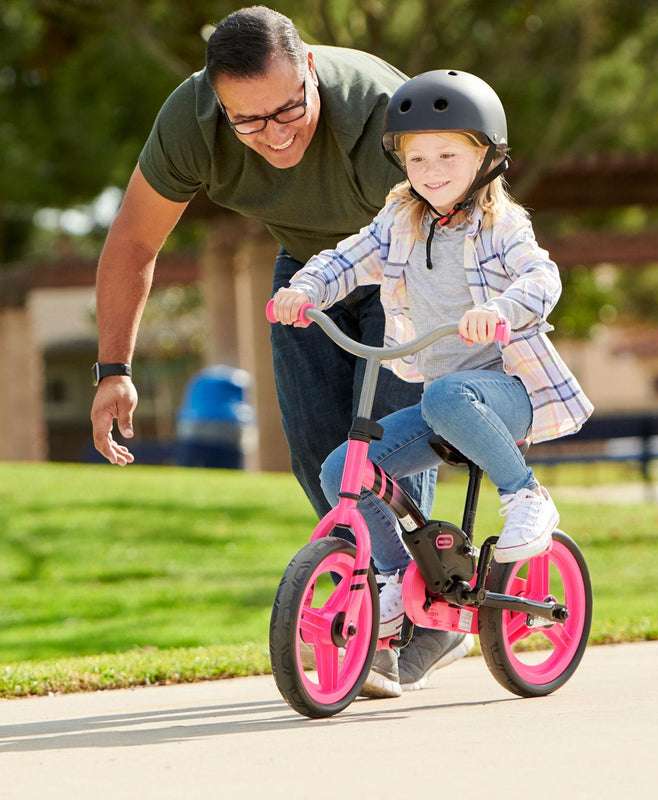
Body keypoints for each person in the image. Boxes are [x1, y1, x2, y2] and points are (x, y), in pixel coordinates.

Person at [88, 6, 450, 697]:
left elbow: (467, 228)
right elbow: (133, 243)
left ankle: (413, 618)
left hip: (415, 267)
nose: (274, 136)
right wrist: (114, 371)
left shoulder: (382, 114)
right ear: (219, 103)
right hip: (309, 272)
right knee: (322, 463)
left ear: (310, 69)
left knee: (385, 449)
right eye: (247, 121)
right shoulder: (191, 125)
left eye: (288, 111)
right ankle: (383, 597)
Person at [272, 69, 594, 695]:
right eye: (416, 157)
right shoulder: (400, 220)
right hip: (445, 401)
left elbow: (541, 277)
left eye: (448, 154)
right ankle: (394, 578)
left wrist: (501, 311)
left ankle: (526, 495)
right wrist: (305, 290)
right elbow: (348, 257)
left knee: (448, 394)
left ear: (486, 155)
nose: (431, 169)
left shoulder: (501, 226)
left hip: (507, 392)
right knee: (344, 469)